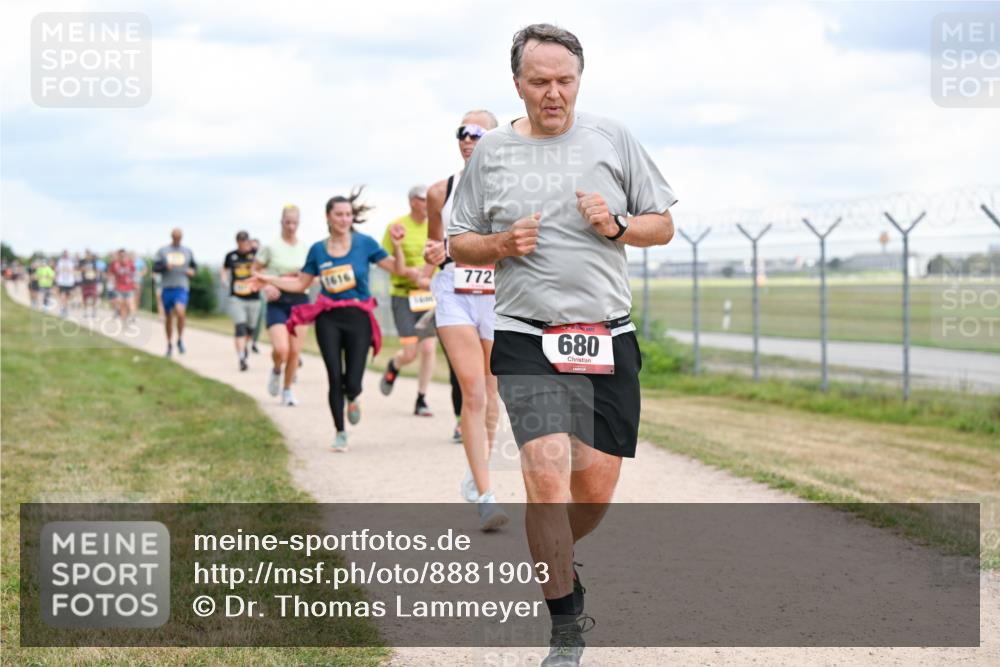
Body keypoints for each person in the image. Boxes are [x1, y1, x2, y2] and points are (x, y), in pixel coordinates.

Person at [448, 24, 677, 666]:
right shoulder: (490, 152)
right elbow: (459, 239)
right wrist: (498, 245)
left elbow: (663, 225)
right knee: (544, 474)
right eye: (539, 81)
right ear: (517, 84)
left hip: (607, 335)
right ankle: (566, 628)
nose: (554, 94)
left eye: (565, 81)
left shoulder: (613, 138)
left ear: (580, 79)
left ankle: (557, 559)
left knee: (592, 493)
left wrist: (620, 223)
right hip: (526, 334)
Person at [251, 188, 412, 451]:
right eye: (339, 214)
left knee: (354, 381)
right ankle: (340, 432)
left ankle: (354, 396)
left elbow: (399, 269)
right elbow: (300, 283)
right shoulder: (317, 250)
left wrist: (396, 246)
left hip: (359, 317)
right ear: (328, 217)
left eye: (348, 214)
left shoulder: (365, 244)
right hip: (329, 319)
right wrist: (267, 279)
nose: (344, 219)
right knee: (334, 376)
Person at [423, 109, 509, 531]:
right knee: (472, 391)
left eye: (478, 133)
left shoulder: (512, 190)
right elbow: (433, 245)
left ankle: (476, 475)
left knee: (493, 395)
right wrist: (433, 252)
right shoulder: (440, 192)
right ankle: (487, 497)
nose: (468, 139)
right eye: (463, 132)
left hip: (495, 297)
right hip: (454, 294)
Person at [378, 186, 437, 417]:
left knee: (430, 347)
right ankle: (394, 365)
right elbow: (382, 258)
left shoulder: (435, 226)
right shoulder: (396, 226)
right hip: (403, 295)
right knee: (410, 353)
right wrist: (409, 272)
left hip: (426, 295)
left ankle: (421, 398)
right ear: (414, 202)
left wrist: (427, 275)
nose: (429, 204)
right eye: (425, 200)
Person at [256, 205, 310, 406]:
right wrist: (267, 285)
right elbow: (256, 271)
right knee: (281, 349)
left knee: (295, 351)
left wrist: (303, 277)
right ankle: (277, 368)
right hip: (277, 301)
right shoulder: (271, 247)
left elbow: (313, 277)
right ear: (281, 223)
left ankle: (287, 390)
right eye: (287, 222)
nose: (291, 226)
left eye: (295, 222)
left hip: (299, 302)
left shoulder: (305, 248)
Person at [221, 231, 261, 371]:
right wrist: (224, 279)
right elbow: (224, 269)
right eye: (240, 242)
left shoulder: (256, 254)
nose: (243, 245)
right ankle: (242, 357)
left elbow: (264, 267)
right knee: (240, 327)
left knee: (250, 328)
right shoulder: (231, 256)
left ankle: (245, 347)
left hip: (253, 297)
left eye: (245, 242)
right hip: (237, 296)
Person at [154, 228, 196, 357]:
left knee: (180, 312)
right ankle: (169, 344)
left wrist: (192, 272)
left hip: (181, 286)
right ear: (172, 237)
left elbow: (194, 267)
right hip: (167, 286)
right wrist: (165, 267)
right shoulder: (163, 251)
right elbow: (155, 267)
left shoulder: (187, 251)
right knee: (168, 318)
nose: (177, 239)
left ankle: (180, 339)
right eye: (175, 237)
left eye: (180, 237)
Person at [109, 249, 136, 321]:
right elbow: (110, 273)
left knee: (130, 303)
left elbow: (134, 273)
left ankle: (132, 316)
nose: (122, 257)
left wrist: (134, 282)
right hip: (119, 287)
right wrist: (112, 281)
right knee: (121, 304)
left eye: (124, 255)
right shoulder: (114, 263)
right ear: (118, 256)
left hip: (129, 287)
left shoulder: (130, 263)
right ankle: (123, 319)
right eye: (120, 255)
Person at [79, 250, 102, 318]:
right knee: (85, 297)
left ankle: (93, 311)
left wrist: (95, 274)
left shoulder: (93, 262)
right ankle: (85, 311)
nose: (88, 256)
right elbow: (79, 269)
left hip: (92, 282)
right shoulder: (82, 261)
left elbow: (96, 270)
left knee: (94, 296)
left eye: (89, 254)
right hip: (85, 282)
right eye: (87, 254)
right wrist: (85, 269)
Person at [54, 250, 76, 317]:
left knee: (67, 297)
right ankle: (63, 309)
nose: (66, 255)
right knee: (62, 296)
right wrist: (56, 281)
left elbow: (73, 272)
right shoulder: (60, 262)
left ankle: (65, 308)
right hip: (62, 282)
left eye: (67, 254)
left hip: (69, 282)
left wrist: (73, 280)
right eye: (64, 254)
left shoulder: (71, 262)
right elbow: (57, 271)